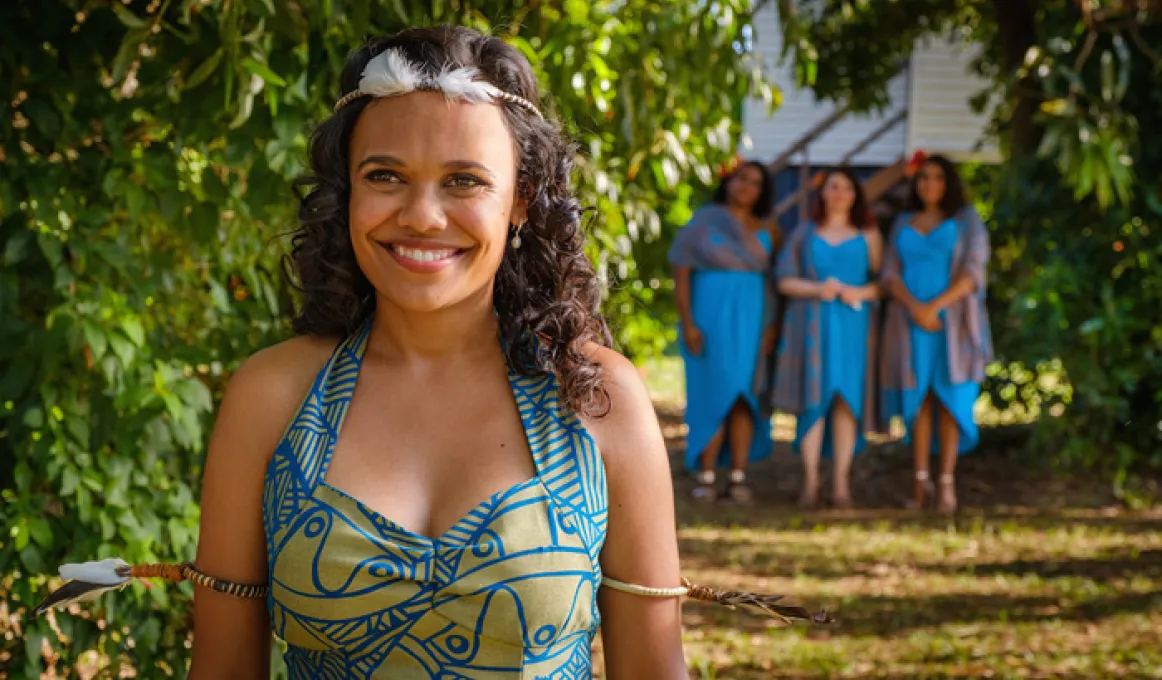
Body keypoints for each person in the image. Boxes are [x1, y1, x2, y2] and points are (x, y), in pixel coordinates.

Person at [184, 26, 688, 678]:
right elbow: (221, 670)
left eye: (464, 181)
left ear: (522, 202)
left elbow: (654, 669)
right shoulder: (274, 397)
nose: (422, 215)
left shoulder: (595, 398)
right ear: (348, 194)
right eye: (385, 175)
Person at [880, 154, 992, 515]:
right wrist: (916, 308)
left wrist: (935, 307)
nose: (929, 184)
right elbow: (889, 273)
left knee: (950, 400)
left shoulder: (966, 220)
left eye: (938, 178)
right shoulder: (901, 222)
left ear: (949, 183)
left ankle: (946, 482)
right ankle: (919, 480)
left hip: (953, 323)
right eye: (923, 177)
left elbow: (973, 271)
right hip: (910, 322)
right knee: (919, 401)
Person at [669, 160, 780, 504]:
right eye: (742, 179)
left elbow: (773, 282)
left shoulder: (769, 228)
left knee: (744, 396)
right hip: (709, 317)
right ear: (729, 181)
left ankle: (737, 476)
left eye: (756, 183)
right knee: (711, 393)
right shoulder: (703, 222)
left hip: (752, 319)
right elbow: (682, 272)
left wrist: (773, 325)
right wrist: (688, 322)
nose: (747, 187)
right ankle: (705, 474)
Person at [772, 168, 882, 509]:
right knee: (813, 399)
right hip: (812, 324)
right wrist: (820, 288)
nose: (839, 193)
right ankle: (810, 480)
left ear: (855, 194)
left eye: (847, 187)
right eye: (833, 186)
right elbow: (784, 280)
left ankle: (840, 483)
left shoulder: (869, 234)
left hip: (853, 326)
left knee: (846, 402)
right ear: (823, 192)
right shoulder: (806, 233)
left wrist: (858, 292)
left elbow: (883, 283)